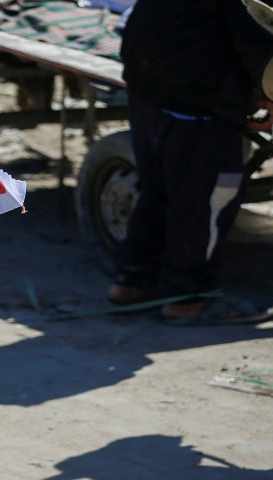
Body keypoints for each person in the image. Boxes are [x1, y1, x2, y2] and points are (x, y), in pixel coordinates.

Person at [106, 0, 273, 323]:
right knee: (207, 201)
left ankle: (131, 281)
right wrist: (266, 92)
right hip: (195, 99)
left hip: (149, 87)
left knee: (158, 190)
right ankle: (187, 299)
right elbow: (258, 36)